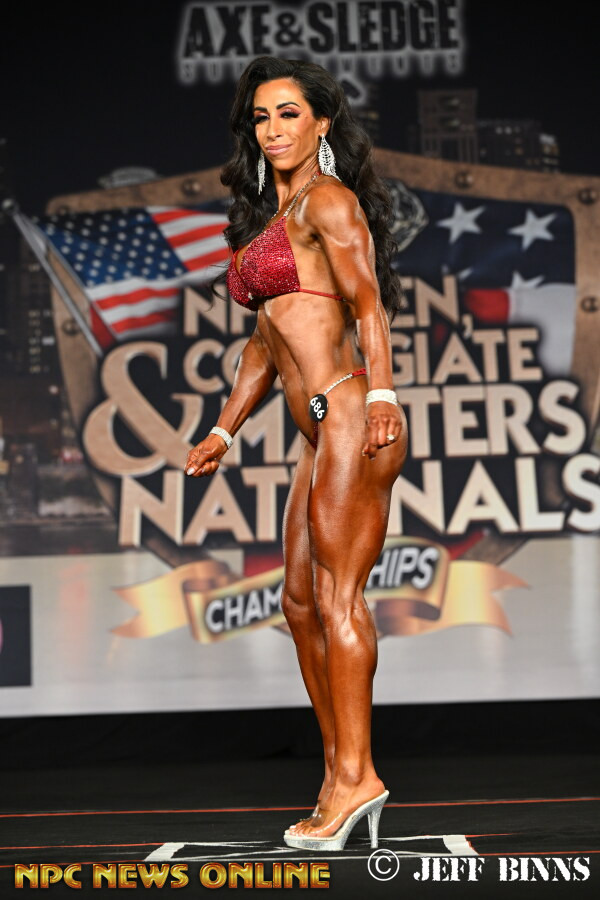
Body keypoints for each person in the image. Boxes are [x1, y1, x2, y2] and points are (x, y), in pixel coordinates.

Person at [185, 56, 408, 852]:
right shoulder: (274, 217)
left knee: (339, 598)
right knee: (299, 604)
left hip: (350, 409)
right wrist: (223, 430)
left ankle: (358, 777)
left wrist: (383, 397)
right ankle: (338, 772)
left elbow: (369, 301)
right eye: (261, 116)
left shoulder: (329, 200)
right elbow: (263, 341)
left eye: (288, 113)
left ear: (321, 123)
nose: (273, 129)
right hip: (317, 427)